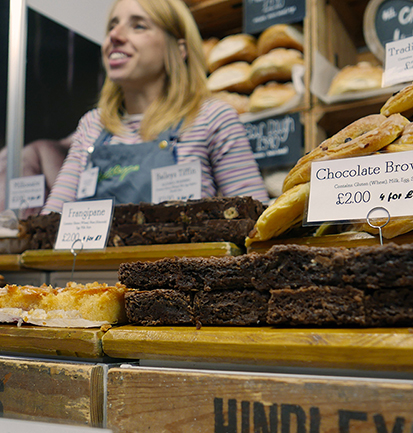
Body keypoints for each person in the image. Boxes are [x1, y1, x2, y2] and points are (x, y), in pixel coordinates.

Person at [42, 0, 269, 214]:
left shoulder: (212, 118)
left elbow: (257, 223)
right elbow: (52, 222)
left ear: (179, 49)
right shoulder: (92, 125)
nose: (114, 35)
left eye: (138, 26)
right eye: (113, 25)